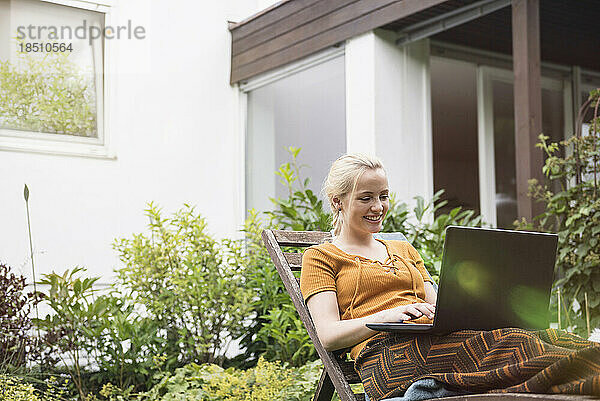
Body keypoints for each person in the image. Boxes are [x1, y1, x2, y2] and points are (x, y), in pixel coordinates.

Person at [300, 153, 600, 401]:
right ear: (337, 201)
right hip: (387, 357)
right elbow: (328, 336)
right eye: (366, 198)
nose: (378, 207)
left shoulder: (402, 248)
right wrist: (390, 314)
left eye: (383, 196)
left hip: (433, 343)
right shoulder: (321, 257)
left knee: (541, 337)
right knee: (512, 344)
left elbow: (441, 309)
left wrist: (483, 305)